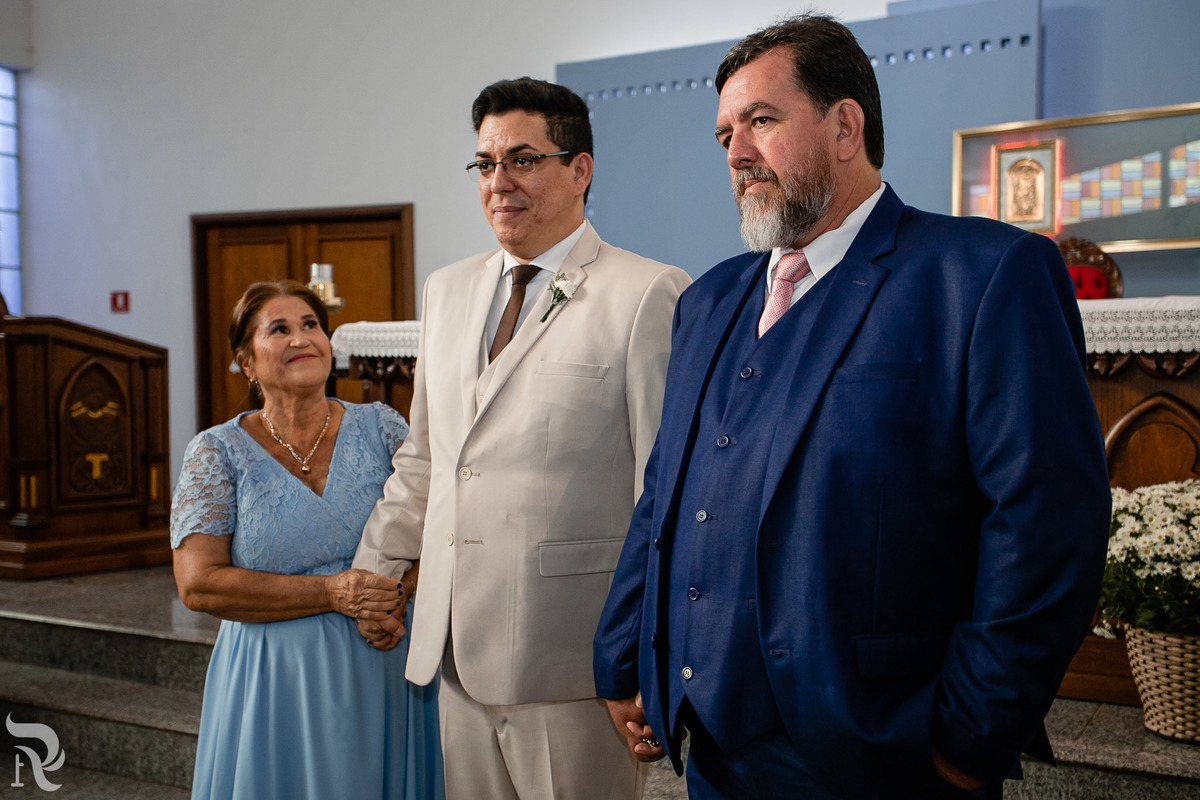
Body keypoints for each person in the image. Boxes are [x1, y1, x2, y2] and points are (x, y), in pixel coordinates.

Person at [593, 14, 1111, 800]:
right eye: (726, 134)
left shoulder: (981, 275)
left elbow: (1048, 523)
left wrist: (972, 734)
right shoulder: (709, 300)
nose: (736, 152)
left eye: (761, 121)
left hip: (885, 750)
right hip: (715, 747)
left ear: (845, 126)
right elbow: (664, 494)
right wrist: (626, 658)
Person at [352, 77, 691, 799]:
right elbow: (429, 455)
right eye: (485, 163)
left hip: (571, 655)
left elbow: (660, 489)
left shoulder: (644, 292)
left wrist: (647, 647)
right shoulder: (447, 290)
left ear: (580, 169)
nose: (498, 181)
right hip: (454, 646)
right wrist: (377, 569)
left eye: (523, 160)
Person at [171, 280, 443, 800]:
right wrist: (331, 593)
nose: (301, 339)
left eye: (311, 325)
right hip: (275, 681)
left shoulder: (381, 427)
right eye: (279, 329)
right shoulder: (217, 452)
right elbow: (199, 585)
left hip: (385, 661)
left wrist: (400, 591)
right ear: (246, 362)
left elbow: (441, 528)